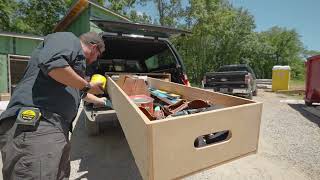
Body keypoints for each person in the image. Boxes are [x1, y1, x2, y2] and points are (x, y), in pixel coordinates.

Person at [0, 31, 107, 179]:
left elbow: (80, 92)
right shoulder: (68, 38)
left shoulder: (73, 73)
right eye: (98, 55)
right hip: (37, 125)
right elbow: (54, 65)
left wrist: (105, 102)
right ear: (94, 48)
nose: (96, 60)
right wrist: (87, 85)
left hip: (55, 128)